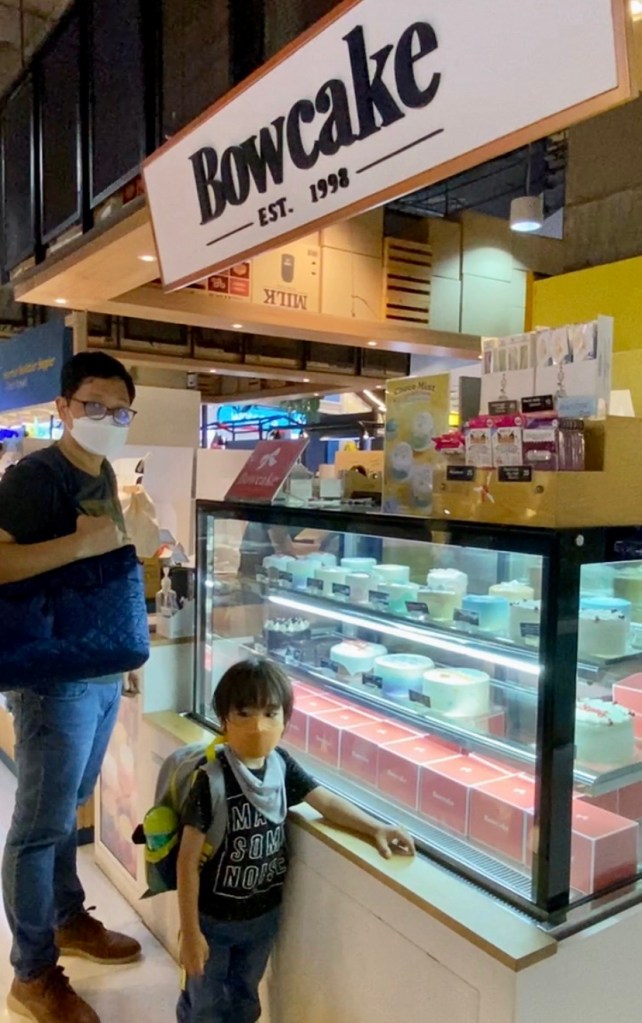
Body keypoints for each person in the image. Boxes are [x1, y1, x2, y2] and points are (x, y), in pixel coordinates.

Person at [0, 351, 144, 1023]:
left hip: (100, 669)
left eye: (119, 410)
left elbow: (103, 564)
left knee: (71, 805)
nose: (106, 419)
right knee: (38, 826)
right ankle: (31, 973)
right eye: (93, 404)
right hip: (53, 679)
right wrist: (79, 547)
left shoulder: (105, 470)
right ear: (62, 407)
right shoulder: (35, 477)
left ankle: (63, 916)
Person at [176, 657, 415, 1023]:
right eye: (244, 712)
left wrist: (375, 827)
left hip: (263, 919)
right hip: (213, 921)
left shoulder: (280, 765)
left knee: (245, 997)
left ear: (286, 720)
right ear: (224, 718)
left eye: (271, 713)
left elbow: (326, 802)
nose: (259, 724)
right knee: (204, 1002)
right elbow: (187, 861)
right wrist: (191, 933)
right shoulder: (211, 780)